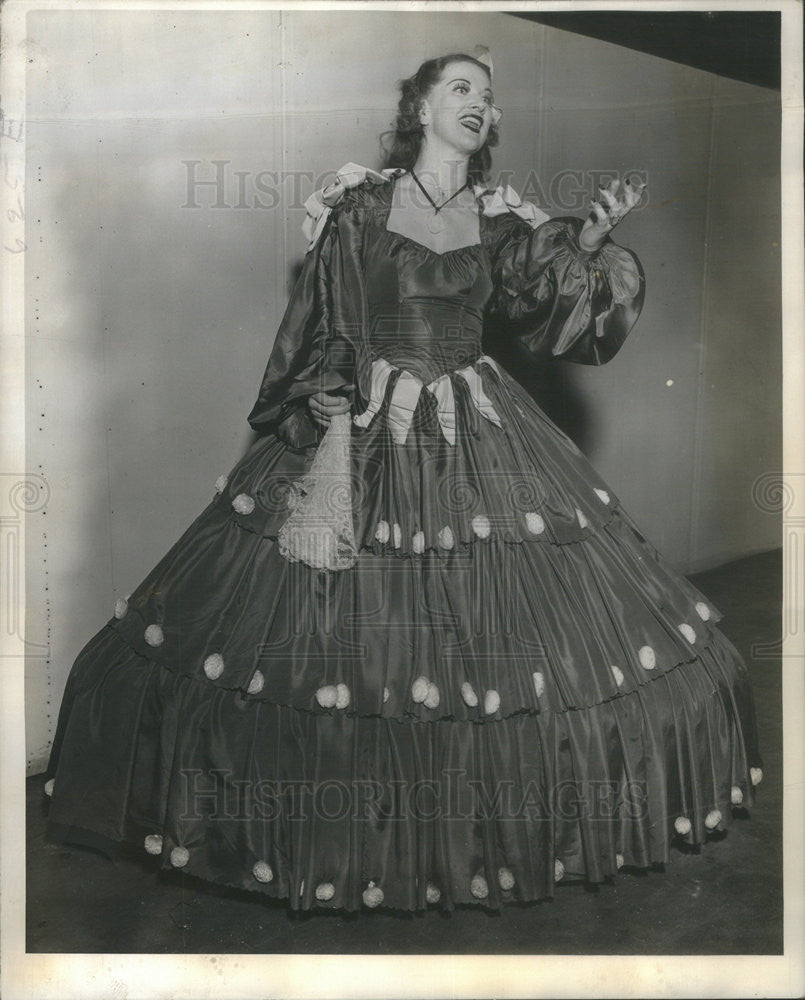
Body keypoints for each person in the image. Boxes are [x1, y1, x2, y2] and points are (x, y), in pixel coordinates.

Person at [44, 52, 762, 913]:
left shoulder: (498, 222)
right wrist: (334, 414)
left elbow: (554, 307)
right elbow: (325, 323)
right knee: (344, 644)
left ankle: (467, 837)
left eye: (488, 97)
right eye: (460, 87)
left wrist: (592, 241)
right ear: (418, 108)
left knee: (479, 641)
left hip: (476, 429)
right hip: (367, 424)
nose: (479, 103)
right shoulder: (358, 207)